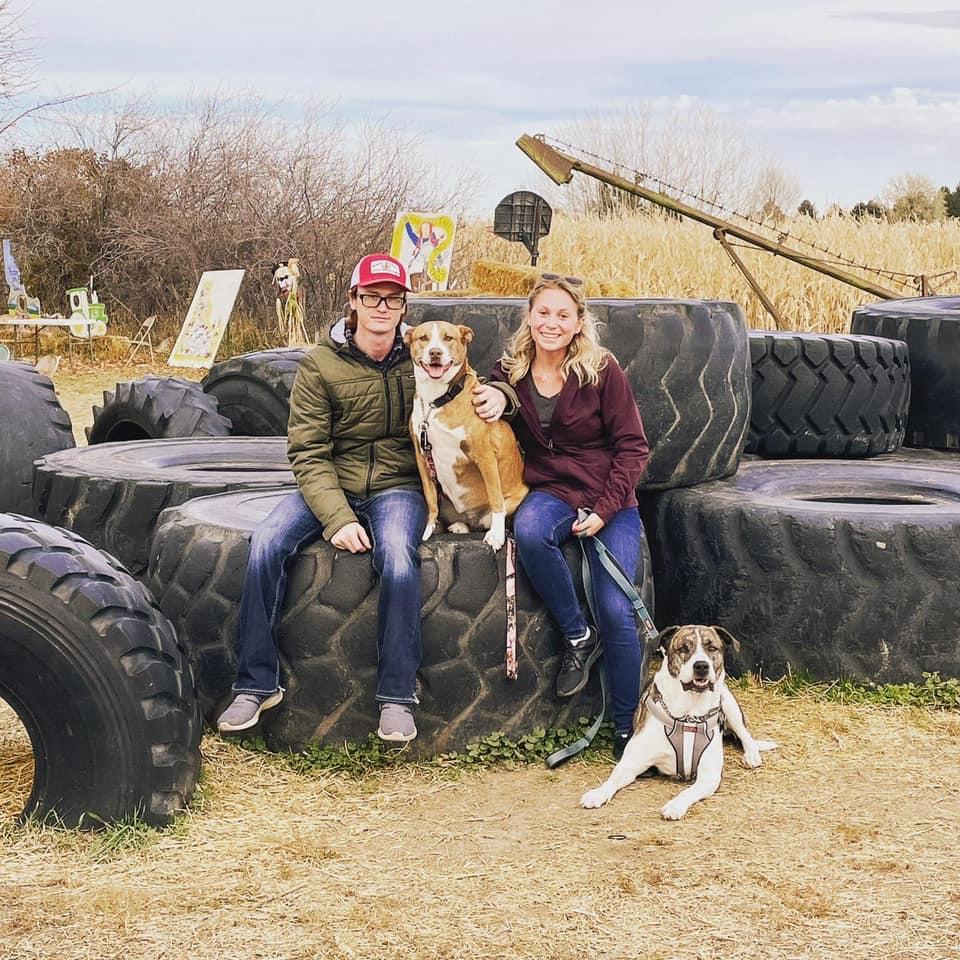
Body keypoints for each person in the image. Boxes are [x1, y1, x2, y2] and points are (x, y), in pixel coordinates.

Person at [216, 252, 428, 742]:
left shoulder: (422, 354)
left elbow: (478, 383)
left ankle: (397, 697)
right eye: (372, 297)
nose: (382, 307)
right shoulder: (319, 364)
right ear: (353, 300)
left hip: (399, 485)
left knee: (399, 557)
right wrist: (337, 518)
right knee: (266, 542)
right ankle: (255, 684)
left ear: (404, 306)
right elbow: (308, 451)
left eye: (392, 298)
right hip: (331, 479)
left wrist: (503, 397)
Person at [487, 273, 650, 760]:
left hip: (610, 496)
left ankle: (626, 729)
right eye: (543, 313)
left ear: (579, 322)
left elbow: (633, 448)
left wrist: (604, 510)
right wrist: (495, 396)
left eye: (563, 314)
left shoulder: (602, 370)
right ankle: (578, 634)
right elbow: (487, 398)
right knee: (530, 530)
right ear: (529, 316)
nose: (551, 323)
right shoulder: (509, 371)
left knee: (617, 609)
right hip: (551, 490)